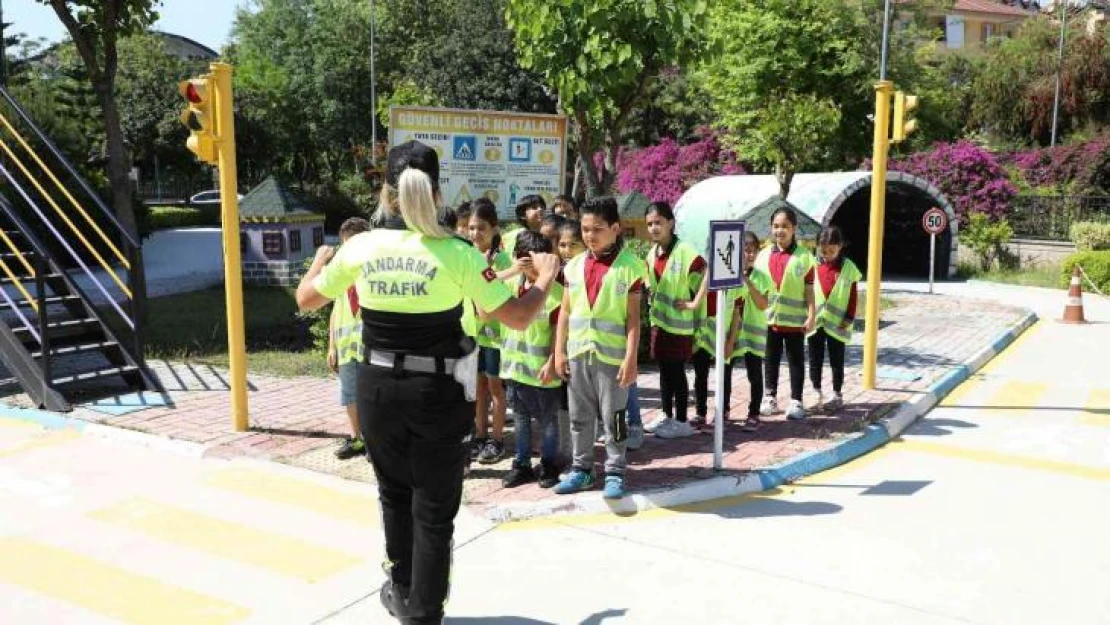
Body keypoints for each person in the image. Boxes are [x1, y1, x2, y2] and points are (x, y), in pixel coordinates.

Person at [295, 140, 561, 625]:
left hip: (377, 391)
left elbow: (307, 298)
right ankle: (423, 613)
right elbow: (518, 317)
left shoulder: (362, 247)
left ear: (385, 192)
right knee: (434, 510)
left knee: (394, 494)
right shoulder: (457, 253)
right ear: (438, 194)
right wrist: (545, 278)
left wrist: (319, 262)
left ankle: (401, 594)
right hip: (437, 395)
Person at [553, 196, 642, 499]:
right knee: (580, 417)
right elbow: (565, 311)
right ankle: (582, 469)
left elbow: (633, 320)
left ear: (616, 228)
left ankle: (615, 470)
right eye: (585, 229)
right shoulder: (574, 266)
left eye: (597, 229)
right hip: (579, 355)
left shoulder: (631, 268)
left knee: (615, 416)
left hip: (613, 358)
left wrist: (631, 358)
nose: (589, 236)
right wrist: (559, 351)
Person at [500, 230, 565, 488]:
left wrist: (552, 361)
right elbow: (483, 290)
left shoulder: (557, 293)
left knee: (548, 422)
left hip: (543, 374)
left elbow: (561, 333)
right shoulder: (507, 286)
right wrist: (512, 271)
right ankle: (522, 463)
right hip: (515, 371)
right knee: (520, 419)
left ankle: (548, 463)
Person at [641, 202, 706, 440]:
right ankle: (667, 415)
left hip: (679, 325)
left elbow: (707, 273)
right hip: (660, 323)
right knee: (664, 371)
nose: (654, 228)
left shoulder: (685, 251)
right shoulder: (652, 253)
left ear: (670, 223)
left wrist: (694, 303)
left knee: (677, 372)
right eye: (650, 224)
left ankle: (681, 420)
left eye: (658, 222)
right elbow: (650, 279)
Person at [756, 206, 817, 421]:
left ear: (794, 229)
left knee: (796, 361)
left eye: (785, 226)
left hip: (794, 322)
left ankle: (796, 400)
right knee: (770, 359)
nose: (780, 231)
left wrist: (812, 315)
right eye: (776, 226)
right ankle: (770, 397)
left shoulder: (805, 257)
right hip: (769, 320)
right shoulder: (762, 256)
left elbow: (810, 290)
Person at [468, 199, 512, 464]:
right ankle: (480, 436)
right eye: (471, 228)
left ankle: (497, 440)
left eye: (481, 228)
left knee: (495, 387)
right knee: (478, 387)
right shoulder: (467, 256)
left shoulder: (504, 260)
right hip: (473, 335)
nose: (475, 234)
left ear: (494, 229)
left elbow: (499, 298)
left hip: (495, 337)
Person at [328, 217, 372, 460]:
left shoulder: (375, 270)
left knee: (372, 394)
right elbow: (336, 309)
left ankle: (374, 439)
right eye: (345, 245)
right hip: (346, 347)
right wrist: (331, 345)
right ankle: (357, 439)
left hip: (370, 346)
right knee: (349, 393)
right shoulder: (341, 273)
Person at [808, 225, 861, 411]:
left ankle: (837, 394)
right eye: (824, 250)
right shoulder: (812, 265)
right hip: (816, 321)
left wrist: (849, 317)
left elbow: (853, 295)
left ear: (840, 247)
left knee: (836, 359)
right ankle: (816, 391)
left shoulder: (848, 268)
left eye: (832, 250)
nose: (827, 254)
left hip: (838, 323)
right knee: (815, 358)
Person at [725, 231, 773, 432]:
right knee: (725, 372)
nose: (749, 255)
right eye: (745, 251)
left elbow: (763, 304)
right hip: (733, 333)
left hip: (753, 333)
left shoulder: (762, 277)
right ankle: (724, 412)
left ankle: (754, 413)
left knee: (754, 374)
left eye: (753, 251)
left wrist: (747, 280)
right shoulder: (727, 275)